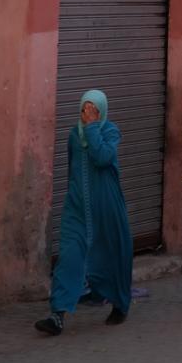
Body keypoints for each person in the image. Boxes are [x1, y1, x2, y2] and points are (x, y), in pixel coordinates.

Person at [35, 89, 132, 336]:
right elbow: (72, 168)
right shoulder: (73, 136)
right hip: (77, 206)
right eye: (84, 109)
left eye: (93, 110)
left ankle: (120, 304)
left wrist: (92, 128)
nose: (87, 114)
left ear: (102, 112)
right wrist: (71, 196)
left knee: (112, 255)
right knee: (69, 256)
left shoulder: (110, 132)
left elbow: (102, 157)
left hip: (106, 207)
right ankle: (57, 315)